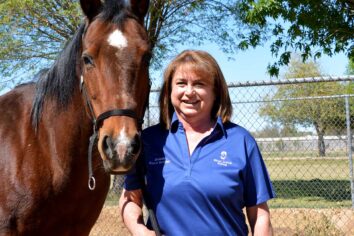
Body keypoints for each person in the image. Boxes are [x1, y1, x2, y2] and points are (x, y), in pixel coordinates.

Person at [119, 50, 275, 236]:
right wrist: (139, 230)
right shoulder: (148, 141)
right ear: (169, 91)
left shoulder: (240, 141)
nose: (189, 91)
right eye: (181, 83)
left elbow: (259, 215)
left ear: (216, 91)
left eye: (199, 84)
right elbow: (130, 198)